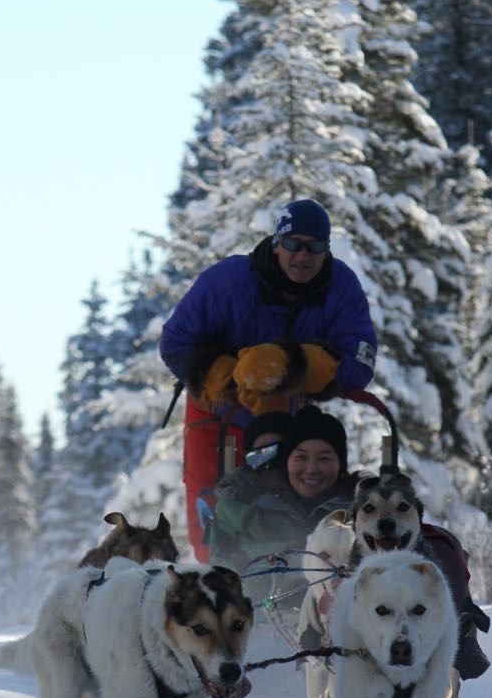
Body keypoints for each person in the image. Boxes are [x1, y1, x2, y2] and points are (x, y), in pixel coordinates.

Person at [159, 198, 377, 559]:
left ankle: (297, 586)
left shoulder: (340, 288)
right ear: (277, 244)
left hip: (290, 418)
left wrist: (296, 365)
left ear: (326, 251)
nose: (302, 256)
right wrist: (232, 377)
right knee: (214, 519)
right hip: (216, 413)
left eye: (314, 247)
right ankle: (222, 586)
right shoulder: (227, 282)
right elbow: (175, 343)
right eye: (293, 244)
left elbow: (361, 360)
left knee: (289, 515)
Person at [209, 406, 357, 579]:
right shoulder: (243, 506)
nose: (269, 466)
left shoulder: (355, 507)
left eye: (276, 454)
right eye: (258, 457)